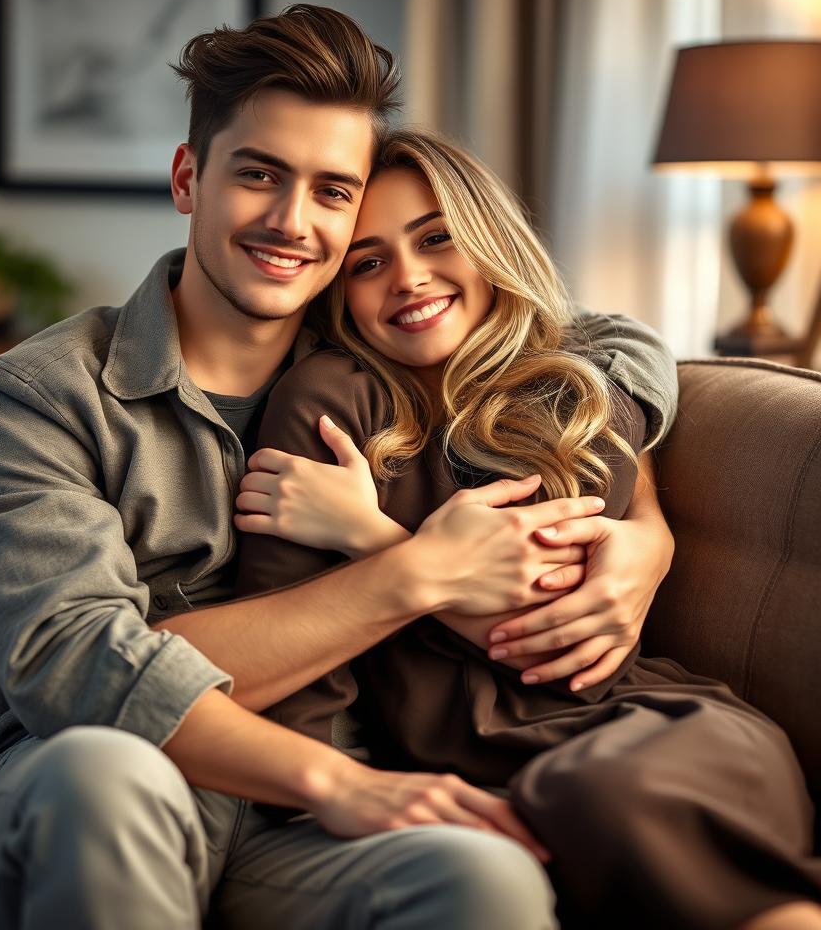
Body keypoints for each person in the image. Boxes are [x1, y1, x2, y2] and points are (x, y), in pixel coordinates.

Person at [0, 6, 681, 930]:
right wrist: (407, 579)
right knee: (106, 772)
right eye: (259, 175)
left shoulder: (380, 353)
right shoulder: (36, 397)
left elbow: (597, 348)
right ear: (188, 177)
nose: (293, 223)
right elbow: (74, 668)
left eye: (334, 192)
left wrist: (645, 531)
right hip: (94, 776)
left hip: (293, 827)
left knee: (483, 881)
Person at [232, 129, 821, 930]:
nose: (409, 278)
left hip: (656, 737)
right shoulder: (331, 401)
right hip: (473, 780)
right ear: (338, 288)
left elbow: (546, 634)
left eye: (437, 238)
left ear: (489, 242)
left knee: (588, 794)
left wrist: (368, 536)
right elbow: (298, 695)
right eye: (368, 261)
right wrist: (331, 796)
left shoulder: (571, 392)